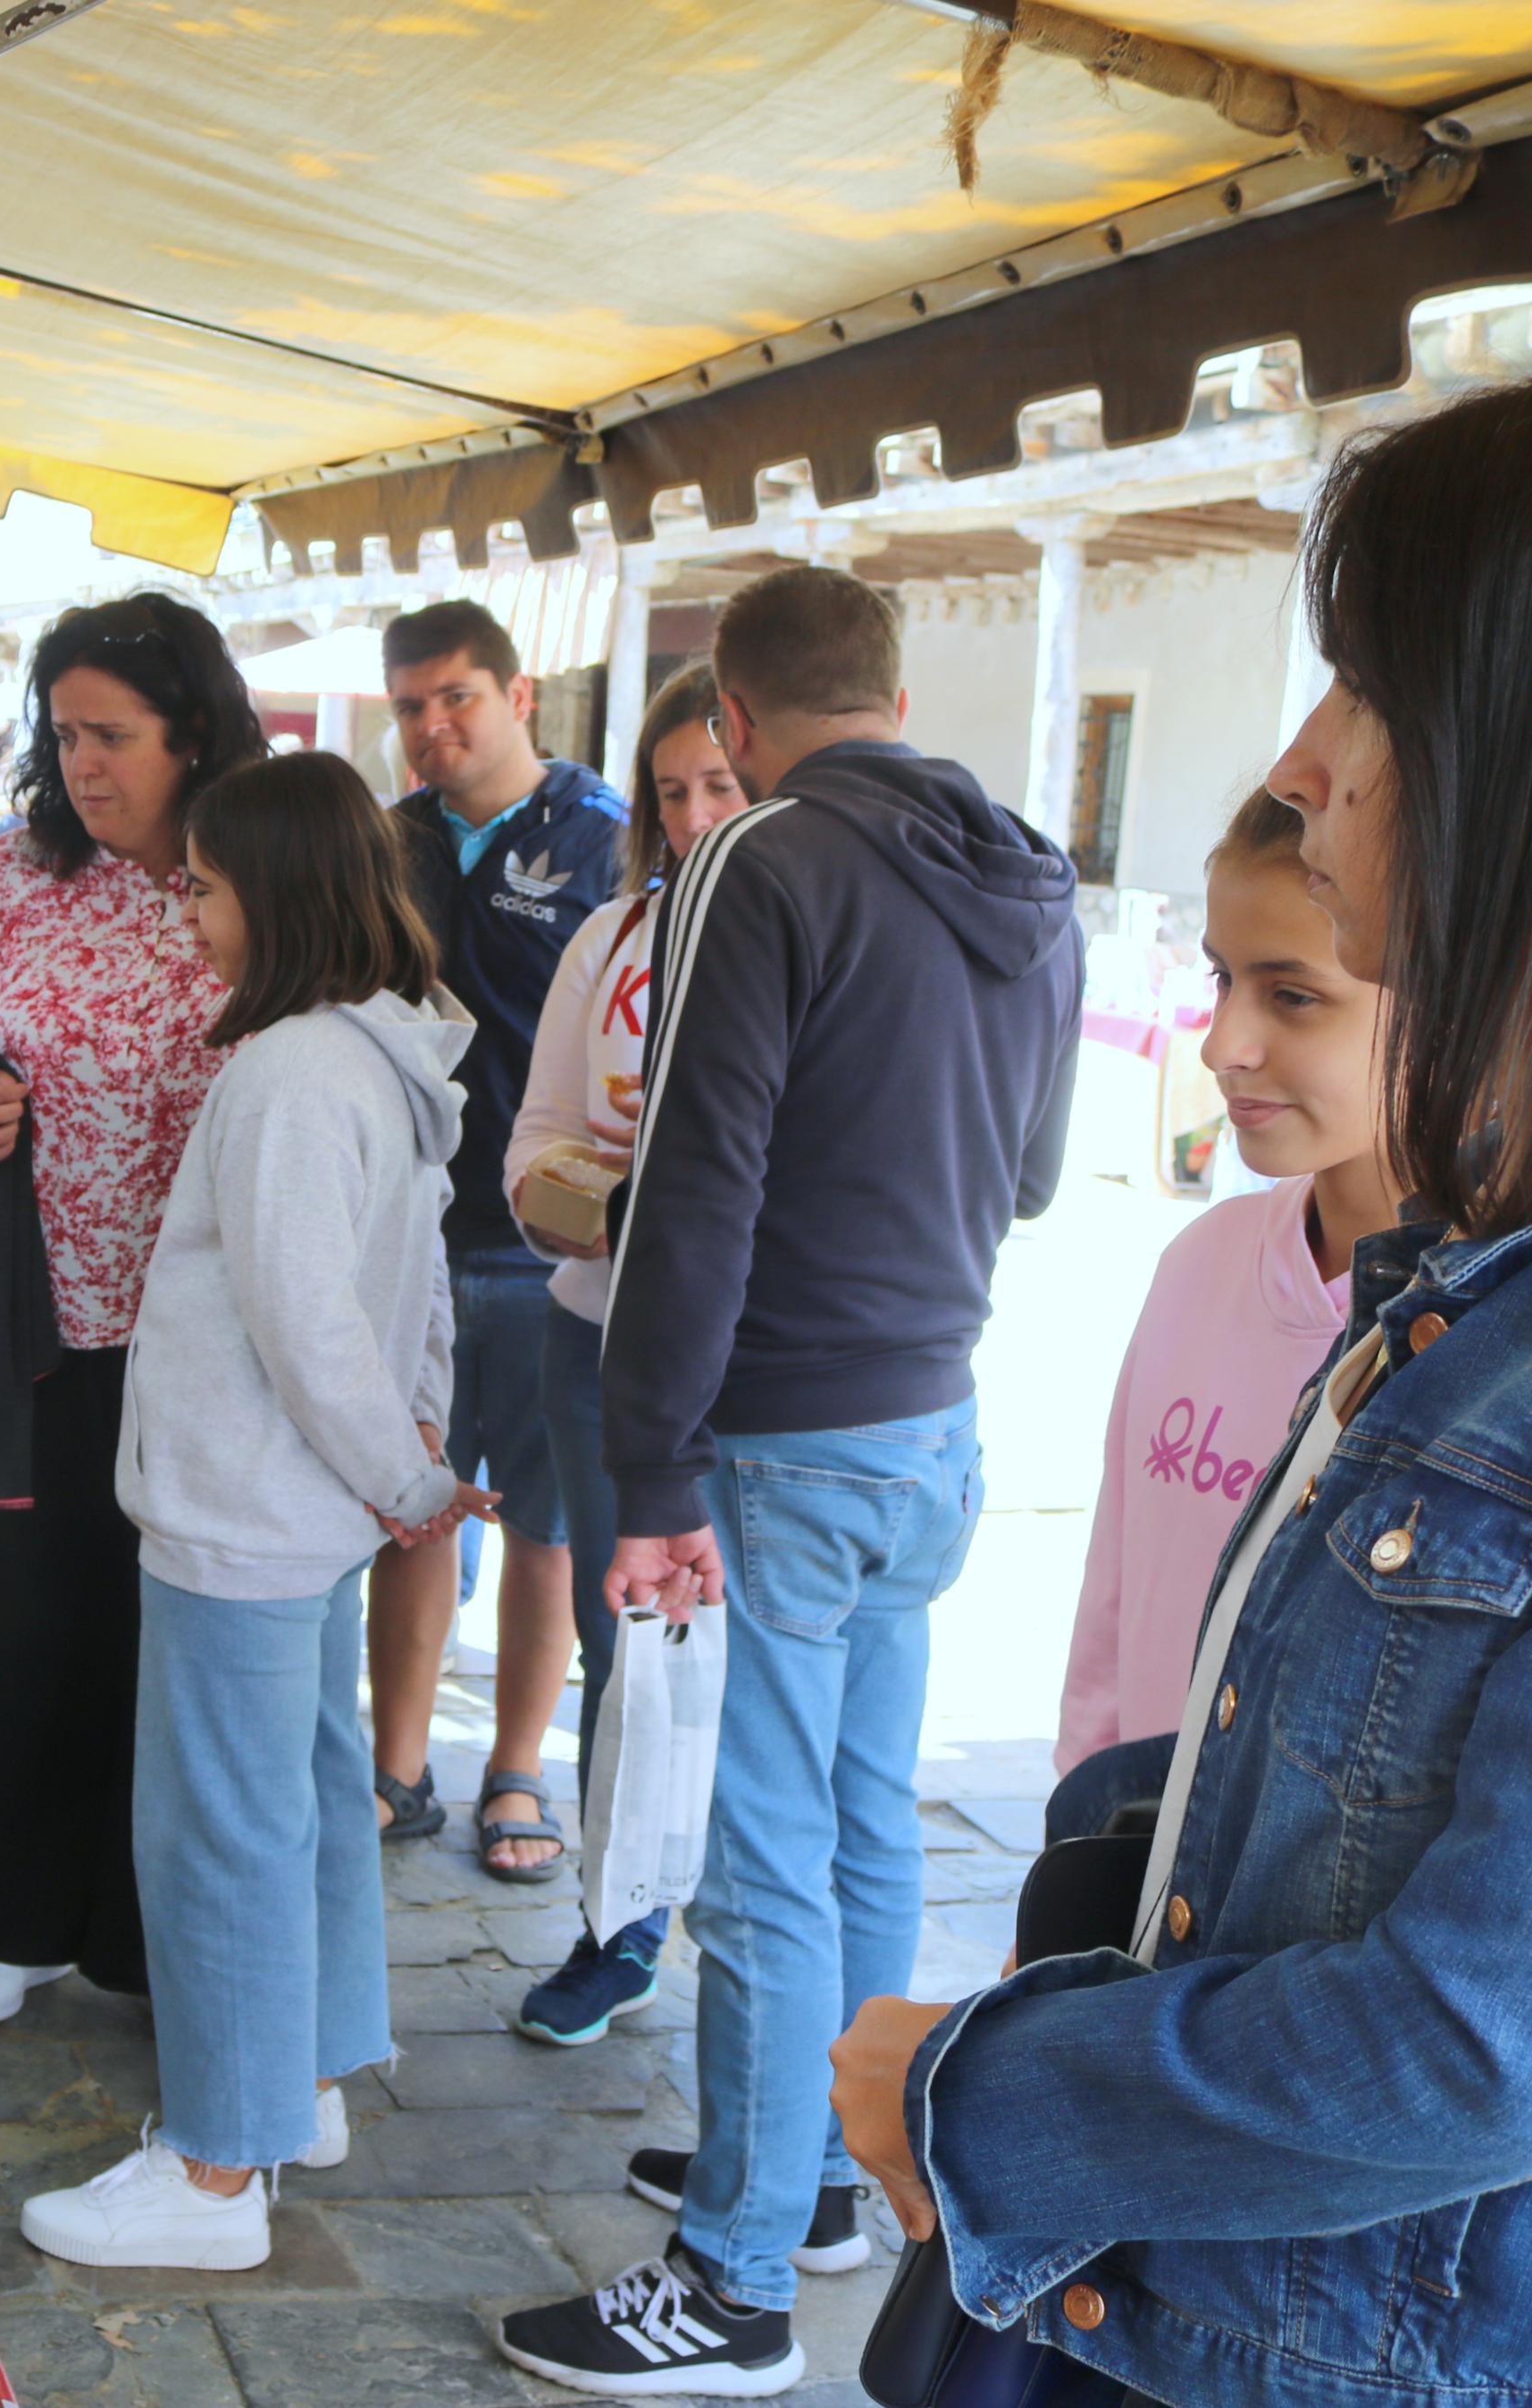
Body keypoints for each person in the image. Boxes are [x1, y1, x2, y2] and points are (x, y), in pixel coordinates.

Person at [823, 352, 1532, 2408]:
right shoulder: (1531, 1252)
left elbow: (1492, 2039)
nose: (1309, 763)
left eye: (1372, 693)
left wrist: (981, 2101)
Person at [498, 564, 1079, 2397]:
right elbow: (1039, 1170)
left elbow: (692, 1183)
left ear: (730, 722)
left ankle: (732, 2277)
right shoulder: (1035, 879)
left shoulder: (759, 858)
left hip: (769, 1439)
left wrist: (648, 1464)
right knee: (845, 1836)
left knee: (756, 1871)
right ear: (892, 691)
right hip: (928, 1428)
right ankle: (819, 2167)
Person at [18, 750, 489, 2270]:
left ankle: (217, 2168)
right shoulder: (374, 1057)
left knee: (219, 1827)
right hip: (309, 1508)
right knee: (299, 1796)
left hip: (253, 1510)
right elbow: (402, 1298)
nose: (192, 919)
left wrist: (404, 1472)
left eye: (208, 891)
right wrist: (404, 1457)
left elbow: (305, 1318)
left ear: (276, 894)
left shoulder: (293, 1068)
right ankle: (303, 2076)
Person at [0, 591, 271, 2026]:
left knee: (165, 1641)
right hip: (32, 1321)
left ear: (193, 734)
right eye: (60, 736)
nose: (83, 766)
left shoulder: (254, 870)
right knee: (18, 1620)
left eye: (112, 735)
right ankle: (9, 1915)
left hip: (207, 1334)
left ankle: (144, 1934)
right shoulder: (12, 874)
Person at [1042, 787, 1399, 1849]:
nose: (1220, 1044)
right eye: (1220, 978)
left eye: (1291, 996)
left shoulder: (1504, 1333)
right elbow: (1112, 1607)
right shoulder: (1199, 1263)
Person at [498, 660, 753, 2043]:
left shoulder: (809, 927)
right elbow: (529, 1136)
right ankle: (621, 1925)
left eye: (720, 778)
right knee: (626, 1646)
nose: (699, 809)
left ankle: (748, 1949)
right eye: (672, 789)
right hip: (595, 1326)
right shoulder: (609, 936)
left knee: (754, 1671)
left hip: (762, 1365)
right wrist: (583, 1184)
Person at [366, 599, 624, 1880]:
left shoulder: (606, 841)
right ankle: (394, 1762)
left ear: (519, 695)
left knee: (543, 1522)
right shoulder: (382, 840)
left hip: (544, 1253)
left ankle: (514, 1764)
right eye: (408, 705)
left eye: (454, 696)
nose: (431, 726)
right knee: (407, 1509)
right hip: (403, 1233)